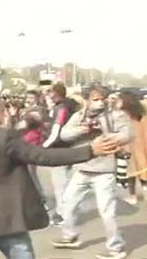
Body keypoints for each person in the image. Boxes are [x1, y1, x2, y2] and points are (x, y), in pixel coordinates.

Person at [0, 92, 120, 259]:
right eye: (4, 110)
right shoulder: (5, 137)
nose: (8, 114)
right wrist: (90, 150)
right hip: (9, 222)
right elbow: (43, 156)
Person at [52, 84, 133, 259]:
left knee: (107, 212)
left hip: (104, 171)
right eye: (96, 100)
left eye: (102, 99)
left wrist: (107, 134)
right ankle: (70, 236)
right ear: (87, 100)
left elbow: (127, 134)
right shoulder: (79, 116)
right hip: (81, 168)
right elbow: (65, 135)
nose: (100, 103)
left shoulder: (115, 116)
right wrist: (84, 129)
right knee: (67, 204)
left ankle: (116, 248)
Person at [42, 82, 77, 226]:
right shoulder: (69, 106)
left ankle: (63, 215)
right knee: (66, 184)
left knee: (60, 185)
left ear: (56, 93)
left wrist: (44, 146)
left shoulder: (61, 108)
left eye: (50, 92)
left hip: (59, 149)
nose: (49, 95)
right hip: (69, 148)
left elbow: (56, 129)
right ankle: (66, 212)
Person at [116, 92, 147, 205]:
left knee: (131, 173)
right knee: (143, 169)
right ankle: (143, 191)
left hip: (128, 145)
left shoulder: (123, 114)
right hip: (141, 144)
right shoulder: (141, 113)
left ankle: (132, 196)